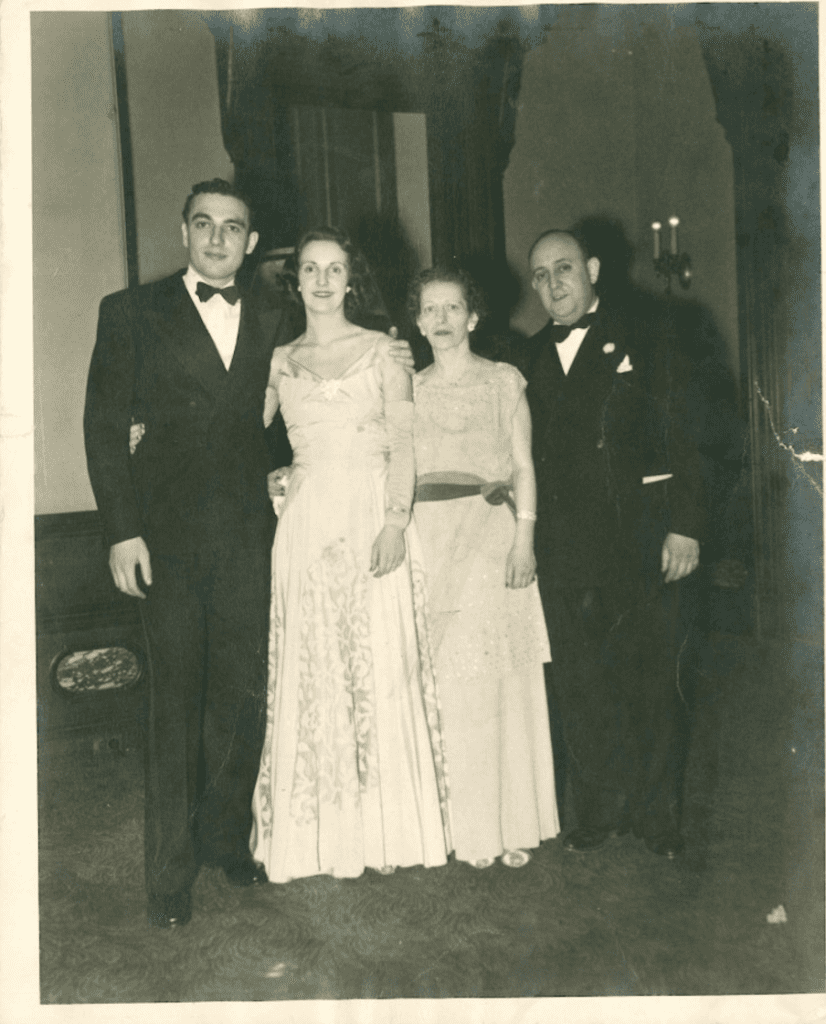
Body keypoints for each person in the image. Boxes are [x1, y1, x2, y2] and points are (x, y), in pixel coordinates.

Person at [84, 179, 298, 928]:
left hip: (248, 533)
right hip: (164, 539)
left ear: (251, 239)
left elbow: (297, 406)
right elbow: (105, 426)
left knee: (241, 693)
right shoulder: (131, 311)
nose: (216, 239)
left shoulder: (277, 312)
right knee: (174, 703)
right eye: (203, 224)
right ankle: (169, 877)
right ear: (183, 232)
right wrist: (121, 530)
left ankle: (224, 843)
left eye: (232, 228)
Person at [249, 227, 450, 882]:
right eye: (310, 269)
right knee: (317, 663)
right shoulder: (277, 359)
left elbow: (406, 444)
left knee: (379, 662)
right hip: (306, 526)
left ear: (351, 279)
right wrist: (270, 476)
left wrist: (395, 522)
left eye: (335, 269)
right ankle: (318, 836)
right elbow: (237, 435)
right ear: (296, 279)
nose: (323, 280)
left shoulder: (386, 350)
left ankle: (389, 828)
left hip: (371, 517)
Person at [522, 228, 705, 858]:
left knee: (652, 678)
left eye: (565, 268)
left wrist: (687, 524)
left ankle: (658, 814)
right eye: (541, 275)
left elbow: (690, 433)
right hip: (566, 549)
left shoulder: (650, 335)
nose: (554, 285)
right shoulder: (526, 358)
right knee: (581, 680)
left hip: (642, 540)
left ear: (593, 269)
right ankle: (597, 807)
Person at [409, 267, 560, 869]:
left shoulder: (503, 381)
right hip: (429, 538)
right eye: (429, 309)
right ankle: (451, 826)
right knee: (445, 683)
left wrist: (524, 538)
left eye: (453, 308)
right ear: (417, 321)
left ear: (474, 317)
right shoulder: (407, 387)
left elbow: (523, 465)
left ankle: (504, 822)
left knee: (491, 681)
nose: (441, 320)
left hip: (492, 537)